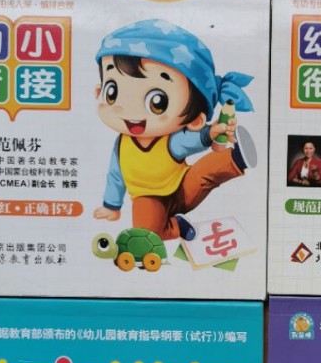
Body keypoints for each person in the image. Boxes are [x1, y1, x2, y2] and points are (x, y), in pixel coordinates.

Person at [93, 20, 256, 242]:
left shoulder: (170, 142)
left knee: (203, 174)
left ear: (195, 119)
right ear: (99, 92)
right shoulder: (121, 144)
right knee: (146, 234)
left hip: (182, 188)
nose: (130, 110)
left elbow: (192, 140)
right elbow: (116, 174)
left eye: (157, 101)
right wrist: (112, 205)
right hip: (146, 198)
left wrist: (212, 131)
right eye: (112, 92)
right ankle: (176, 227)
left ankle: (238, 157)